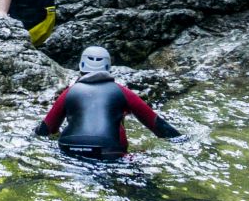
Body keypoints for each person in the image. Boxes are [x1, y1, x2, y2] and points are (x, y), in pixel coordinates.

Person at [36, 46, 182, 159]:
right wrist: (182, 140)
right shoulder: (122, 92)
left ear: (81, 65)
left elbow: (46, 129)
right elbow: (156, 124)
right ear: (108, 67)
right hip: (108, 150)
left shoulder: (69, 92)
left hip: (68, 148)